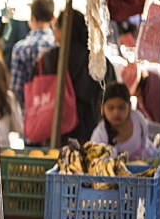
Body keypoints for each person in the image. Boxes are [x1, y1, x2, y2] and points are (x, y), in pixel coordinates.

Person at [36, 9, 117, 143]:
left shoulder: (49, 58)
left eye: (56, 26)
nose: (54, 30)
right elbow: (112, 90)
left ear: (64, 29)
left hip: (56, 129)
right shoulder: (97, 60)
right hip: (90, 130)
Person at [9, 0, 56, 108]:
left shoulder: (21, 48)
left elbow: (16, 90)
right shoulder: (59, 46)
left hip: (31, 111)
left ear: (32, 16)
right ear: (52, 18)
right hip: (55, 109)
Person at [90, 82, 156, 159]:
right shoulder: (99, 135)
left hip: (148, 163)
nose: (116, 112)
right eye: (111, 108)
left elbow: (147, 126)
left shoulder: (136, 118)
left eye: (121, 107)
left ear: (130, 106)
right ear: (101, 108)